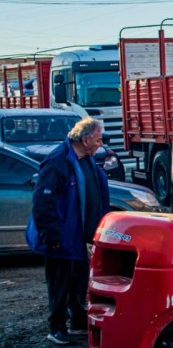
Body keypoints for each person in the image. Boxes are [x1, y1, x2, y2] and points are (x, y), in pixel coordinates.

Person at [25, 117, 110, 345]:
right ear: (85, 139)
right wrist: (52, 237)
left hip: (78, 238)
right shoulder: (57, 162)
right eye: (98, 140)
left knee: (78, 281)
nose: (101, 144)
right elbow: (43, 204)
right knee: (59, 284)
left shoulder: (85, 159)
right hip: (61, 239)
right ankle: (57, 328)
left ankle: (76, 322)